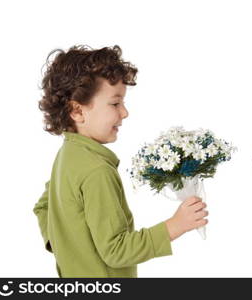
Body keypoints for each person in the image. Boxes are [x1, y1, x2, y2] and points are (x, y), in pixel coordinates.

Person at [33, 45, 208, 277]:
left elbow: (43, 207)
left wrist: (69, 248)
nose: (124, 112)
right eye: (115, 103)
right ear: (77, 111)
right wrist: (174, 226)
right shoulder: (96, 171)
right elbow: (116, 250)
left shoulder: (68, 155)